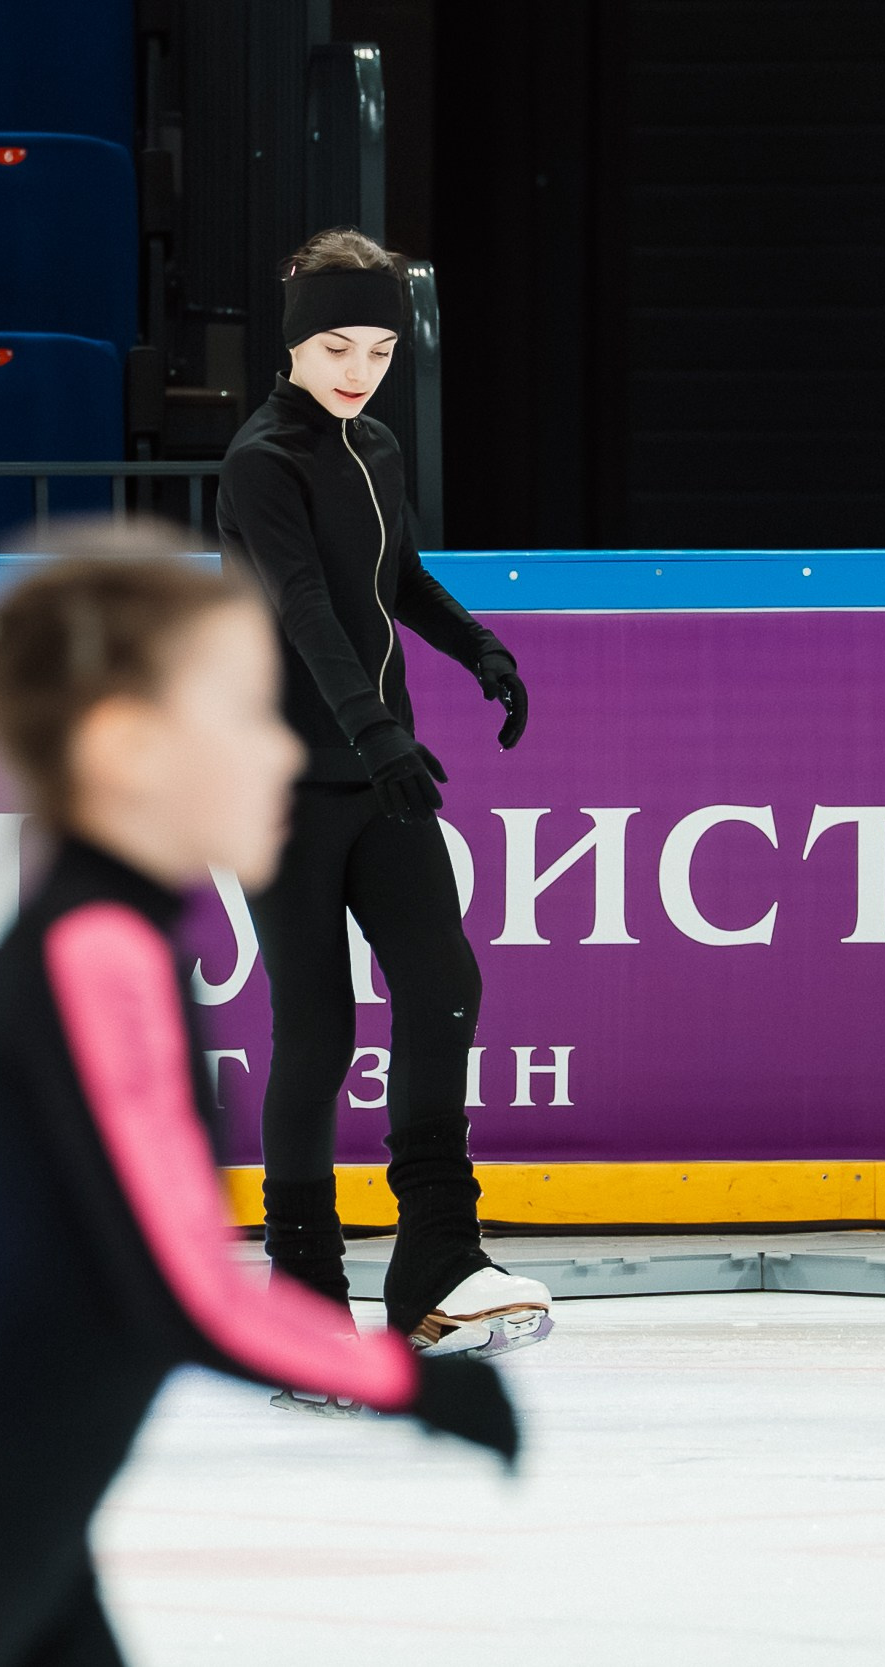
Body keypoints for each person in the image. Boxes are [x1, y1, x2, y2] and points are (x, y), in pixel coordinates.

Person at [0, 542, 518, 1667]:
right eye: (252, 716)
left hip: (17, 1516)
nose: (283, 751)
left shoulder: (117, 938)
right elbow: (177, 1281)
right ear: (128, 747)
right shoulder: (96, 949)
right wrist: (408, 1379)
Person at [216, 226, 550, 1375]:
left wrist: (477, 648)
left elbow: (394, 574)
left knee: (443, 984)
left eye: (377, 348)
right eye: (336, 346)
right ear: (295, 345)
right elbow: (306, 604)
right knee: (314, 1023)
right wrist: (379, 729)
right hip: (282, 786)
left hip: (375, 769)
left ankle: (438, 1261)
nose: (358, 369)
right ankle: (301, 1291)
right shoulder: (263, 460)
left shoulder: (375, 446)